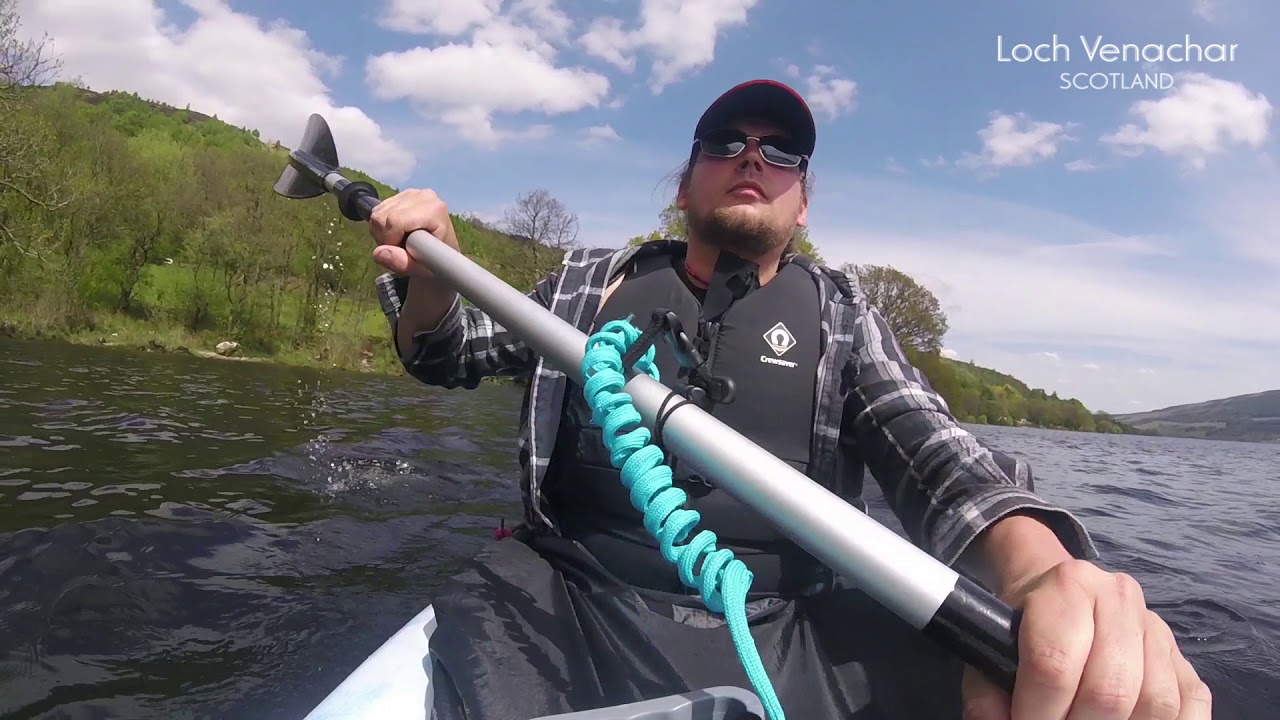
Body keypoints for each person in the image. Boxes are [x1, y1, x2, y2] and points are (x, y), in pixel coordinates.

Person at [368, 79, 1211, 719]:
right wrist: (435, 280)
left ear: (802, 201)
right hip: (569, 598)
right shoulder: (592, 282)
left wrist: (1043, 570)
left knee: (1002, 677)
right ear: (686, 182)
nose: (752, 158)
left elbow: (934, 451)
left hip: (794, 627)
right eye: (726, 142)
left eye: (781, 154)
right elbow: (446, 357)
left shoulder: (843, 312)